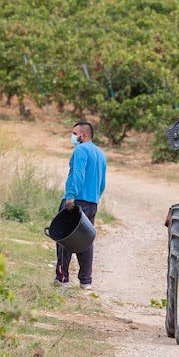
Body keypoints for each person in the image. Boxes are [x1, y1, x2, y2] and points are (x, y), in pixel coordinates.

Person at [56, 121, 108, 289]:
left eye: (74, 133)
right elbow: (102, 183)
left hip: (75, 201)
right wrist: (95, 198)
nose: (73, 136)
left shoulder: (80, 150)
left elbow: (77, 174)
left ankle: (62, 278)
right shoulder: (100, 154)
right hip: (92, 203)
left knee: (65, 238)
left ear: (83, 135)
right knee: (85, 240)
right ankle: (86, 281)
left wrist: (71, 196)